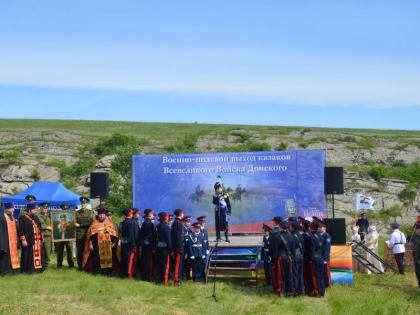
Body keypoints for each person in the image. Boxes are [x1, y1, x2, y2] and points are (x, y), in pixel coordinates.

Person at [82, 208, 118, 276]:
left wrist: (114, 242)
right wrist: (90, 244)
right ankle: (98, 273)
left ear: (105, 215)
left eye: (103, 215)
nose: (101, 216)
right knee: (96, 258)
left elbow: (114, 234)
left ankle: (108, 273)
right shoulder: (94, 223)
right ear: (98, 215)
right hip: (96, 243)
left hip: (107, 244)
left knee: (108, 258)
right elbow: (90, 236)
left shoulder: (109, 223)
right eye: (100, 215)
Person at [270, 219, 294, 297]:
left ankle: (282, 291)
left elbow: (275, 251)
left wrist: (273, 262)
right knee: (289, 275)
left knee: (281, 275)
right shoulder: (291, 236)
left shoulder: (277, 237)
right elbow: (293, 249)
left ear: (280, 227)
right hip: (289, 258)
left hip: (280, 258)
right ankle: (289, 291)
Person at [18, 203, 43, 274]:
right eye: (34, 210)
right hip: (28, 241)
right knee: (27, 256)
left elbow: (40, 228)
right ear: (29, 210)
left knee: (36, 256)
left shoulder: (36, 218)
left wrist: (41, 237)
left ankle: (36, 269)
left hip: (37, 241)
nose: (35, 211)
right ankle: (27, 270)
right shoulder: (23, 218)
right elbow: (21, 230)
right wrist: (23, 240)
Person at [0, 202, 20, 275]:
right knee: (5, 257)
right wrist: (2, 243)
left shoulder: (13, 218)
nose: (13, 210)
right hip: (6, 241)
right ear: (8, 209)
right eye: (12, 208)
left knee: (13, 256)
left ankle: (14, 271)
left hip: (13, 242)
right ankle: (5, 271)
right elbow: (1, 231)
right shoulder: (2, 218)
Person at [75, 196, 93, 269]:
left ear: (87, 204)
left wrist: (80, 225)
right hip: (79, 235)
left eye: (84, 203)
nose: (83, 205)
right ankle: (80, 266)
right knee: (80, 251)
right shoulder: (77, 213)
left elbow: (92, 223)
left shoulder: (90, 212)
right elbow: (74, 222)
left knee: (88, 250)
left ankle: (88, 266)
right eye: (82, 203)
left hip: (88, 234)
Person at [308, 220, 325, 297]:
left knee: (315, 276)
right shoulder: (321, 236)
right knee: (321, 276)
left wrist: (311, 259)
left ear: (312, 227)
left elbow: (311, 250)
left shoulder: (312, 237)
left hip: (315, 259)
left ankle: (317, 292)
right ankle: (322, 292)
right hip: (321, 258)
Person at [155, 212, 172, 286]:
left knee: (159, 264)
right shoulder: (166, 227)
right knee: (165, 264)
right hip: (165, 247)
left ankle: (158, 279)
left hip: (158, 247)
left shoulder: (157, 226)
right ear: (165, 218)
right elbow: (168, 239)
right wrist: (170, 249)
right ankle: (164, 280)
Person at [55, 204, 75, 269]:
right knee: (60, 252)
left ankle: (71, 265)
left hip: (69, 239)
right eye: (62, 219)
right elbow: (57, 233)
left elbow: (71, 231)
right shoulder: (58, 225)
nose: (63, 219)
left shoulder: (69, 224)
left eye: (64, 218)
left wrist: (68, 227)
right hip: (60, 239)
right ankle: (59, 265)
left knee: (70, 251)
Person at [139, 209, 155, 281]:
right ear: (149, 215)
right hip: (148, 244)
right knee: (148, 261)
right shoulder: (150, 223)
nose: (153, 216)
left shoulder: (144, 222)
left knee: (144, 260)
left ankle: (143, 276)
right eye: (152, 214)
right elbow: (151, 235)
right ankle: (147, 277)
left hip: (144, 244)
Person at [120, 208, 136, 279]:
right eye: (131, 213)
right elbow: (131, 235)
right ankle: (128, 275)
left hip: (123, 243)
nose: (132, 214)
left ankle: (123, 274)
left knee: (123, 259)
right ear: (129, 214)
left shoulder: (123, 222)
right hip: (128, 243)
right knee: (128, 260)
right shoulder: (130, 223)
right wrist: (133, 245)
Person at [290, 220, 305, 296]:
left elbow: (291, 248)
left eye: (291, 226)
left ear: (293, 227)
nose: (290, 227)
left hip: (295, 256)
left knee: (295, 274)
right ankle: (301, 290)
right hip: (301, 256)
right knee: (300, 274)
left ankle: (295, 291)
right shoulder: (301, 235)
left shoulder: (292, 237)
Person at [171, 209, 185, 286]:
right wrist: (179, 247)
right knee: (177, 265)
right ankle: (176, 281)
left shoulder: (179, 222)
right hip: (178, 247)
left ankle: (178, 279)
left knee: (179, 265)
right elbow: (177, 236)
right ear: (180, 214)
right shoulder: (177, 223)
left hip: (179, 246)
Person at [38, 202, 52, 270]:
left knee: (47, 252)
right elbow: (37, 225)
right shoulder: (37, 216)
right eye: (43, 208)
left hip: (48, 236)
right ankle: (40, 265)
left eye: (46, 208)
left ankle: (46, 266)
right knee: (40, 251)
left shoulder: (50, 216)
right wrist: (46, 227)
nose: (45, 209)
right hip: (40, 236)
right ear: (41, 208)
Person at [319, 219, 331, 289]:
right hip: (321, 256)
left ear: (324, 228)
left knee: (326, 272)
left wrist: (325, 258)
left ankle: (327, 284)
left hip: (325, 257)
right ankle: (323, 283)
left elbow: (327, 248)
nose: (319, 228)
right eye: (319, 227)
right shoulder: (320, 235)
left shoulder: (327, 236)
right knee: (322, 272)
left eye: (321, 227)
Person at [132, 208, 141, 277]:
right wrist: (136, 244)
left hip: (135, 243)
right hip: (135, 243)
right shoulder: (134, 222)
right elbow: (135, 234)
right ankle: (132, 274)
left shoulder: (135, 221)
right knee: (133, 261)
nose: (139, 215)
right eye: (138, 214)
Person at [182, 216, 192, 280]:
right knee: (183, 264)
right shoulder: (182, 230)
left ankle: (188, 276)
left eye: (189, 222)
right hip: (184, 249)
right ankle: (183, 276)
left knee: (188, 263)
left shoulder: (190, 230)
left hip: (189, 250)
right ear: (184, 222)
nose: (188, 223)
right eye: (187, 222)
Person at [411, 222, 420, 288]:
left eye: (416, 228)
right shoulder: (416, 237)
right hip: (416, 258)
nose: (414, 230)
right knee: (417, 271)